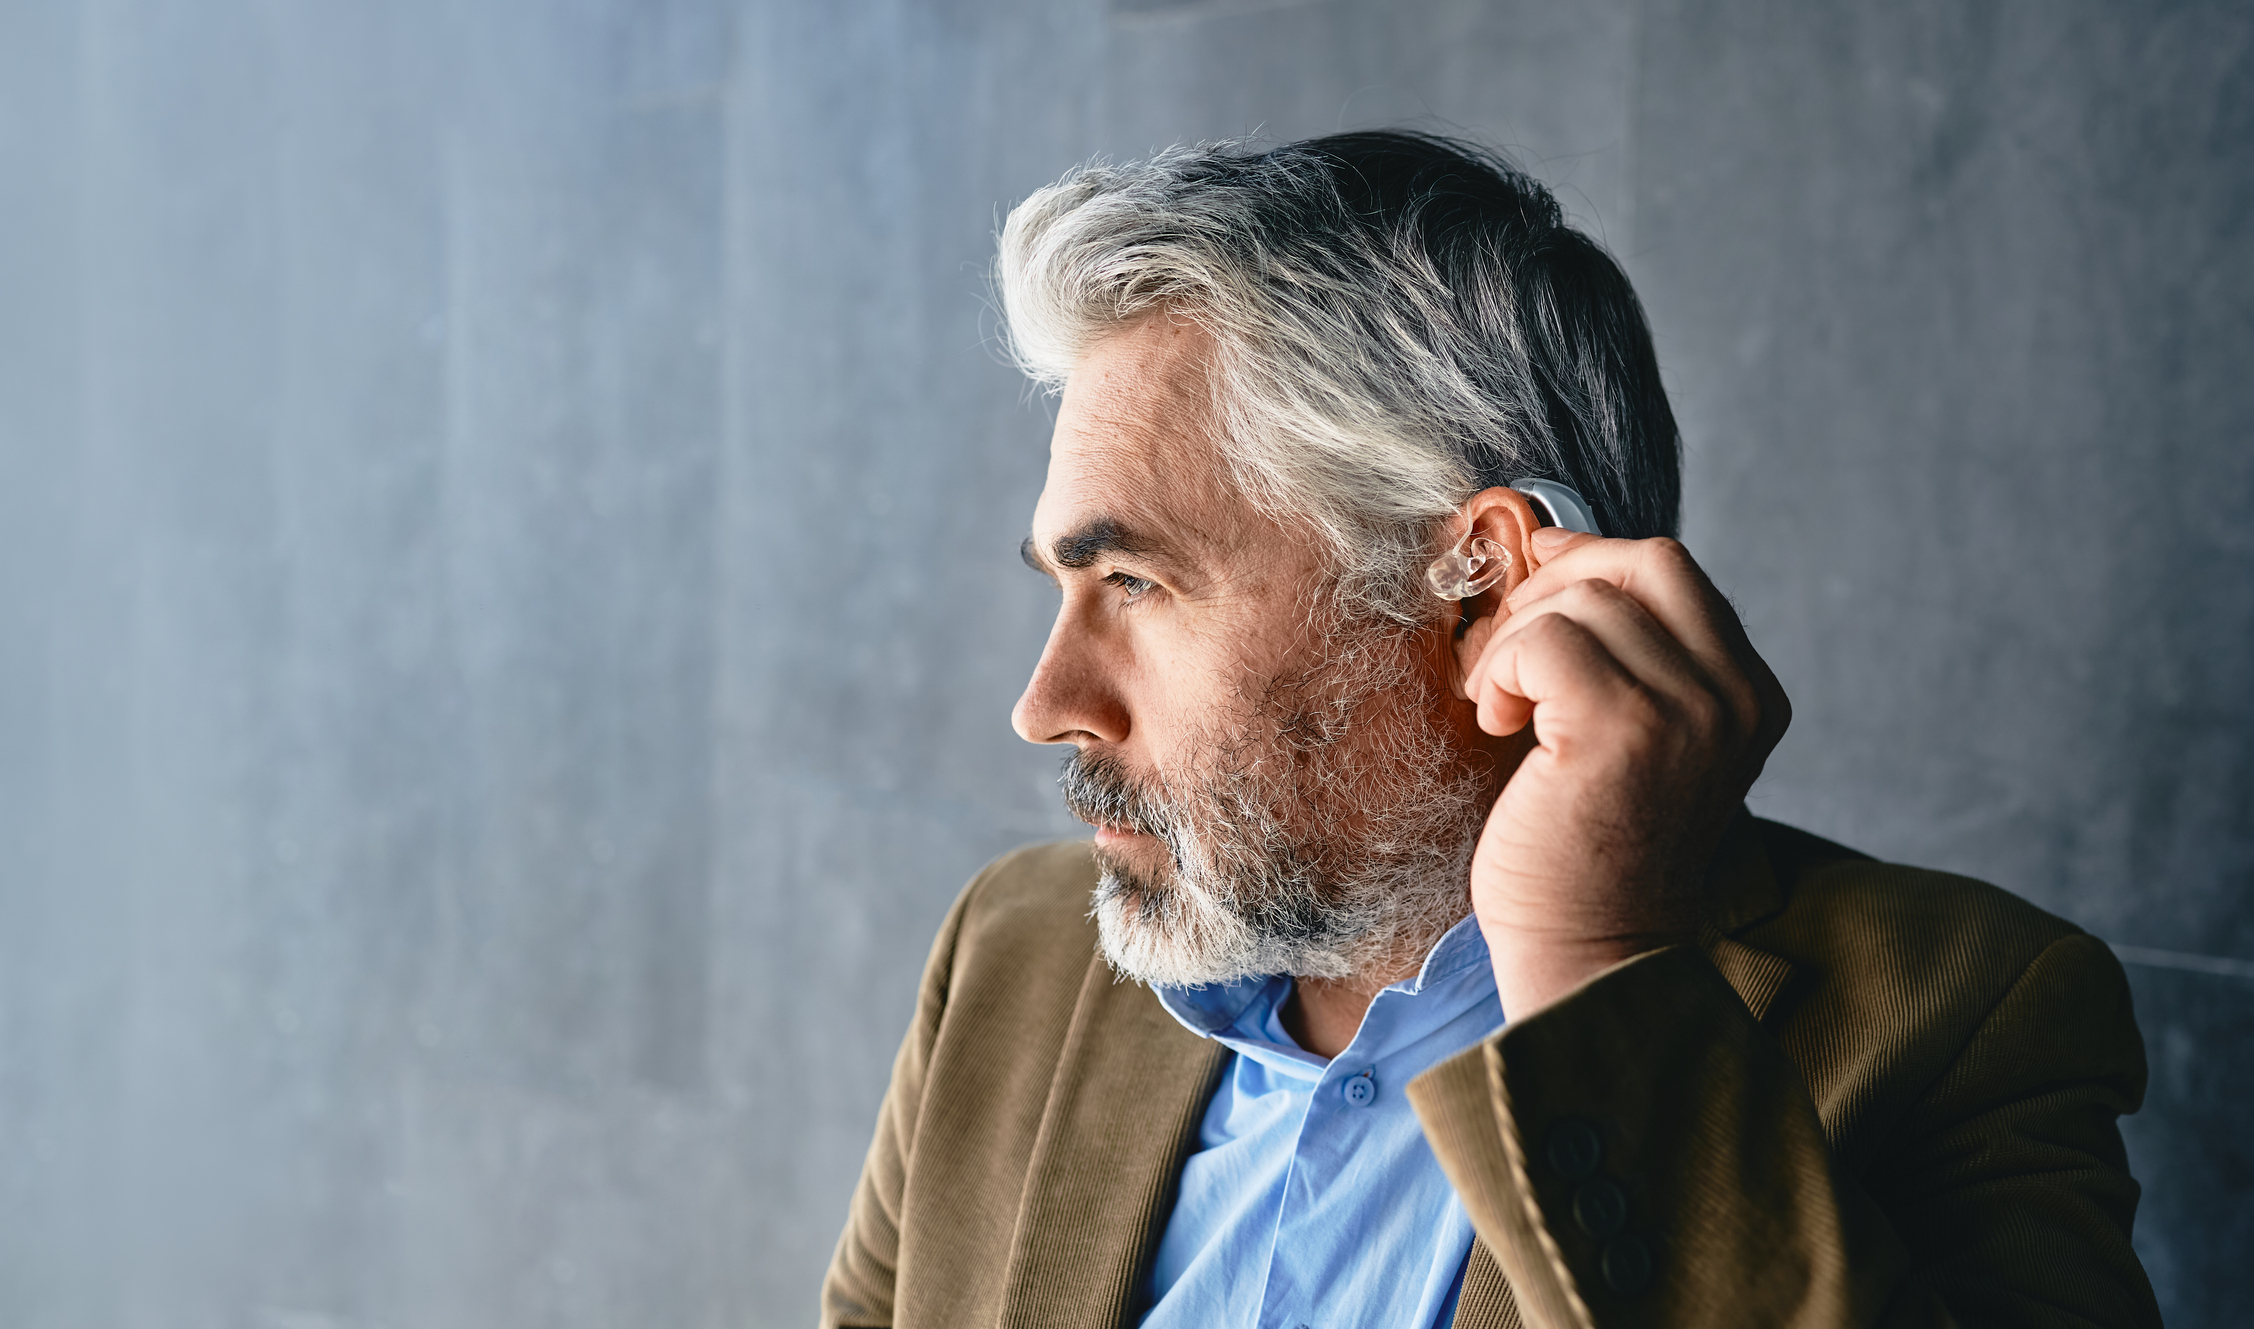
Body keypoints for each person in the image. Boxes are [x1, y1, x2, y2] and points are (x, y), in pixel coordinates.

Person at [819, 131, 2158, 1329]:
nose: (1045, 701)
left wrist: (1595, 964)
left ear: (1485, 577)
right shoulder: (1010, 956)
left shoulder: (1966, 1017)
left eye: (1135, 582)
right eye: (1062, 584)